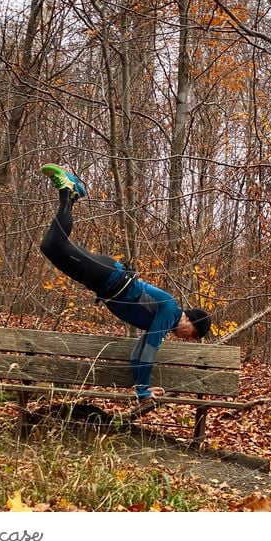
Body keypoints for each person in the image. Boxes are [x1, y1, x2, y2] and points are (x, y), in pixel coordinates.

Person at [39, 163, 212, 410]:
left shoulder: (163, 320)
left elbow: (138, 354)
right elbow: (149, 350)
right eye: (194, 335)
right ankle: (69, 190)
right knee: (54, 245)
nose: (189, 338)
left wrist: (143, 386)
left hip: (102, 283)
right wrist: (143, 390)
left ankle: (72, 193)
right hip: (108, 275)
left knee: (51, 246)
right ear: (191, 321)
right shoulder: (169, 309)